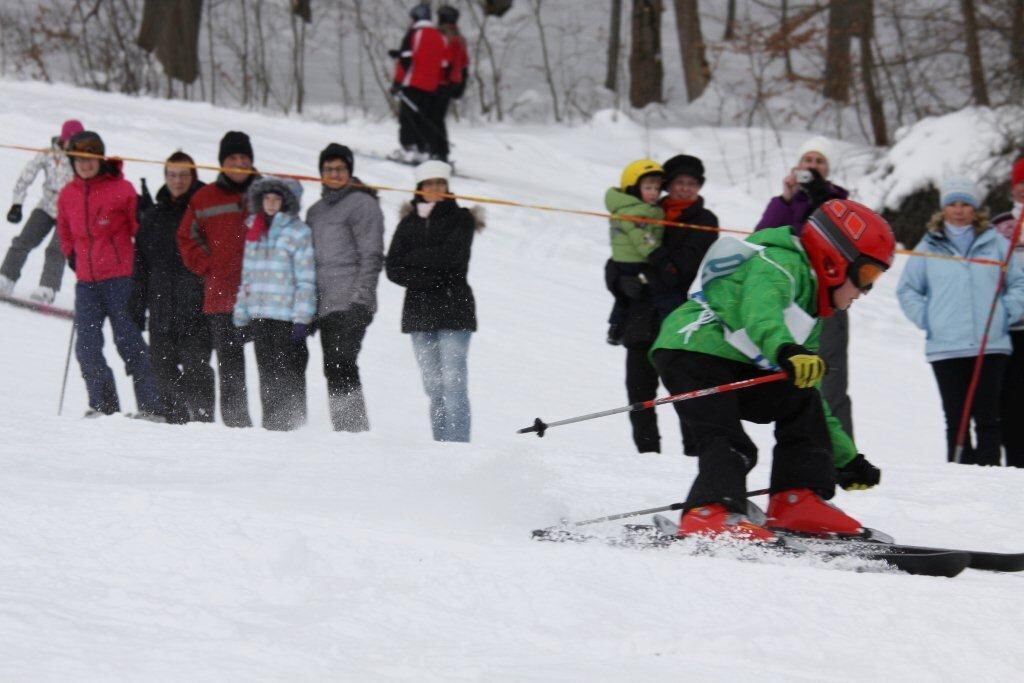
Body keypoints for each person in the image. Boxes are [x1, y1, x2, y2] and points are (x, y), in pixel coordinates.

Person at [650, 199, 891, 540]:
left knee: (802, 398)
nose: (866, 291)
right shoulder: (779, 262)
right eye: (866, 275)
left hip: (733, 361)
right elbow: (760, 311)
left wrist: (846, 459)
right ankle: (708, 513)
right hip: (692, 350)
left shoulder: (813, 313)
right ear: (834, 259)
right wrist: (785, 349)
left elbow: (813, 393)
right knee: (728, 440)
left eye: (875, 279)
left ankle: (796, 498)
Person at [897, 176, 1024, 466]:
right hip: (946, 346)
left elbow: (1019, 283)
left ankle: (991, 479)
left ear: (975, 209)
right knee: (957, 420)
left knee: (989, 418)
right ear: (943, 209)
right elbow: (908, 289)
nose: (958, 210)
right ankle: (960, 480)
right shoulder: (929, 245)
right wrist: (928, 318)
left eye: (965, 204)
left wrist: (1007, 311)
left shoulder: (996, 243)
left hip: (990, 345)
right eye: (952, 204)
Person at [55, 131, 163, 421]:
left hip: (120, 280)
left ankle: (152, 406)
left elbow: (139, 229)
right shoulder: (68, 194)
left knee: (129, 342)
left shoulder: (122, 189)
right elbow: (64, 230)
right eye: (80, 160)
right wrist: (70, 253)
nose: (85, 165)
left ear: (100, 159)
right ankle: (104, 406)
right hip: (86, 284)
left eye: (91, 159)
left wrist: (144, 214)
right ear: (73, 161)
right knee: (87, 348)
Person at [756, 136, 855, 439]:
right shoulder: (785, 203)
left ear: (828, 169)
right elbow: (764, 238)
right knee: (794, 377)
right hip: (790, 299)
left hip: (826, 299)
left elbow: (843, 244)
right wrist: (786, 199)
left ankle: (841, 448)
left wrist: (819, 198)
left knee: (831, 375)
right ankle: (800, 443)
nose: (812, 166)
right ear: (797, 166)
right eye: (807, 161)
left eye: (819, 161)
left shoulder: (838, 203)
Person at [385, 160, 482, 442]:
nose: (436, 189)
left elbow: (452, 259)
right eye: (430, 184)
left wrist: (414, 262)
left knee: (454, 386)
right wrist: (432, 274)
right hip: (419, 313)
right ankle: (441, 448)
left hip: (454, 310)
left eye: (441, 184)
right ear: (420, 189)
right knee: (434, 388)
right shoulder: (408, 222)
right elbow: (393, 267)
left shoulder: (461, 218)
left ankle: (458, 447)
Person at [177, 131, 260, 428]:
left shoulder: (267, 192)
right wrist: (208, 266)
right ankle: (238, 425)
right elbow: (187, 237)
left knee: (272, 361)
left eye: (243, 158)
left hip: (265, 294)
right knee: (230, 366)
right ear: (222, 163)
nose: (238, 163)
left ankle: (281, 424)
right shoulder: (204, 197)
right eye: (232, 158)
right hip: (222, 294)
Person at [131, 152, 215, 424]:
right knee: (163, 369)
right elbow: (141, 265)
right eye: (172, 175)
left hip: (196, 307)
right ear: (165, 177)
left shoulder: (203, 212)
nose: (177, 181)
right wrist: (136, 302)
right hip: (161, 307)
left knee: (196, 368)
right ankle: (177, 421)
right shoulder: (153, 216)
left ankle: (202, 422)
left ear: (193, 177)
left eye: (183, 175)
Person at [307, 144, 384, 432]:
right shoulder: (315, 211)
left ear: (350, 171)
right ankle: (345, 430)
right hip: (325, 304)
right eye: (328, 169)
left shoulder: (363, 204)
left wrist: (361, 299)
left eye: (340, 168)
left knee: (342, 361)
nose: (334, 174)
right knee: (333, 367)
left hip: (351, 300)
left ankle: (353, 430)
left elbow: (372, 254)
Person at [233, 177, 315, 432]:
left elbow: (306, 278)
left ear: (285, 202)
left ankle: (294, 425)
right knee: (266, 373)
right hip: (260, 314)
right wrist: (241, 314)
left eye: (276, 199)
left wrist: (302, 317)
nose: (271, 203)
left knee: (288, 373)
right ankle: (271, 427)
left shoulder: (298, 232)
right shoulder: (254, 230)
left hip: (286, 317)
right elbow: (247, 276)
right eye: (267, 198)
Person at [603, 159, 665, 453]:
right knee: (640, 391)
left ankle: (692, 452)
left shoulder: (649, 212)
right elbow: (646, 249)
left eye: (657, 187)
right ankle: (648, 453)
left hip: (660, 313)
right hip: (641, 314)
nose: (653, 192)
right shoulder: (638, 214)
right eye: (648, 187)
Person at [0, 119, 83, 303]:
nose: (75, 144)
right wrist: (17, 203)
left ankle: (48, 287)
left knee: (56, 249)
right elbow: (27, 174)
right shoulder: (48, 154)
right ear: (63, 138)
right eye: (72, 139)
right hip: (46, 206)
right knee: (23, 241)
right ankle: (6, 278)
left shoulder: (81, 158)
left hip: (69, 213)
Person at [389, 4, 449, 164]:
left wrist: (397, 83)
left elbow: (406, 61)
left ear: (415, 18)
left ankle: (409, 149)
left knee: (407, 118)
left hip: (413, 84)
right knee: (423, 119)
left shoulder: (413, 33)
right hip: (432, 88)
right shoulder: (440, 36)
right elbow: (443, 65)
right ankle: (423, 149)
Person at [993, 158, 1024, 467]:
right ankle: (1016, 463)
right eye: (1021, 185)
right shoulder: (1000, 225)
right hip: (1010, 328)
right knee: (1012, 398)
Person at [436, 4, 470, 163]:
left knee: (434, 117)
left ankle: (439, 153)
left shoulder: (445, 35)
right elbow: (465, 64)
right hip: (454, 82)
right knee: (439, 117)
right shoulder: (460, 37)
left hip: (443, 82)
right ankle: (440, 152)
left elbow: (444, 60)